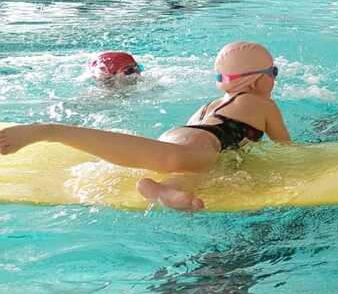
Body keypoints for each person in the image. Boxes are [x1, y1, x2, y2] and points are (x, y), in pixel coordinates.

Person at [0, 41, 290, 212]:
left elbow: (201, 141)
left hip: (185, 135)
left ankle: (164, 190)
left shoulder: (212, 104)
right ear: (257, 79)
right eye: (273, 72)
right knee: (184, 159)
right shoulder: (263, 104)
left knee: (193, 168)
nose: (274, 79)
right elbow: (286, 147)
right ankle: (48, 131)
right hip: (203, 142)